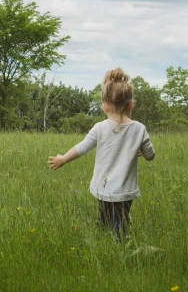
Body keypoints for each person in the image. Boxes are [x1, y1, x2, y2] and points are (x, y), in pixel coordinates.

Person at [48, 68, 155, 242]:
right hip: (125, 190)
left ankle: (107, 237)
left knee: (105, 215)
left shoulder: (100, 128)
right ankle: (118, 241)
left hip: (102, 188)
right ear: (130, 105)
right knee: (120, 219)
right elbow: (150, 155)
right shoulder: (139, 129)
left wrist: (63, 159)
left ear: (105, 106)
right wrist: (143, 151)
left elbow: (82, 147)